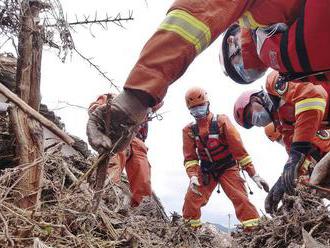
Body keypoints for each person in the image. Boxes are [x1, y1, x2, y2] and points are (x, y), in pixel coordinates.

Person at [86, 1, 330, 162]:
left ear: (233, 42)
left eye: (239, 66)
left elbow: (195, 16)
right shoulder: (288, 55)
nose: (248, 68)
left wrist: (136, 97)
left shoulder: (279, 71)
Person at [233, 70, 330, 213]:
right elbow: (299, 164)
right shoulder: (286, 129)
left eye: (250, 114)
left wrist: (297, 152)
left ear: (256, 98)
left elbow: (313, 95)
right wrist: (283, 183)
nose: (256, 120)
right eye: (251, 122)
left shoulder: (273, 83)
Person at [181, 87, 269, 228]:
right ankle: (189, 233)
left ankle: (254, 231)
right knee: (192, 200)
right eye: (194, 108)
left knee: (241, 199)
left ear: (207, 104)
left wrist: (254, 174)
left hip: (228, 167)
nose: (198, 110)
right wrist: (192, 176)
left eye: (201, 106)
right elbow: (190, 158)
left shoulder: (221, 121)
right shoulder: (189, 130)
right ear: (189, 110)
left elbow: (239, 150)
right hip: (206, 171)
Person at [88, 94, 163, 207]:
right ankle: (108, 199)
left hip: (138, 143)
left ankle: (141, 209)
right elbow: (95, 108)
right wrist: (100, 111)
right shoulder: (118, 97)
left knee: (143, 178)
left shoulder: (146, 113)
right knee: (112, 166)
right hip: (119, 136)